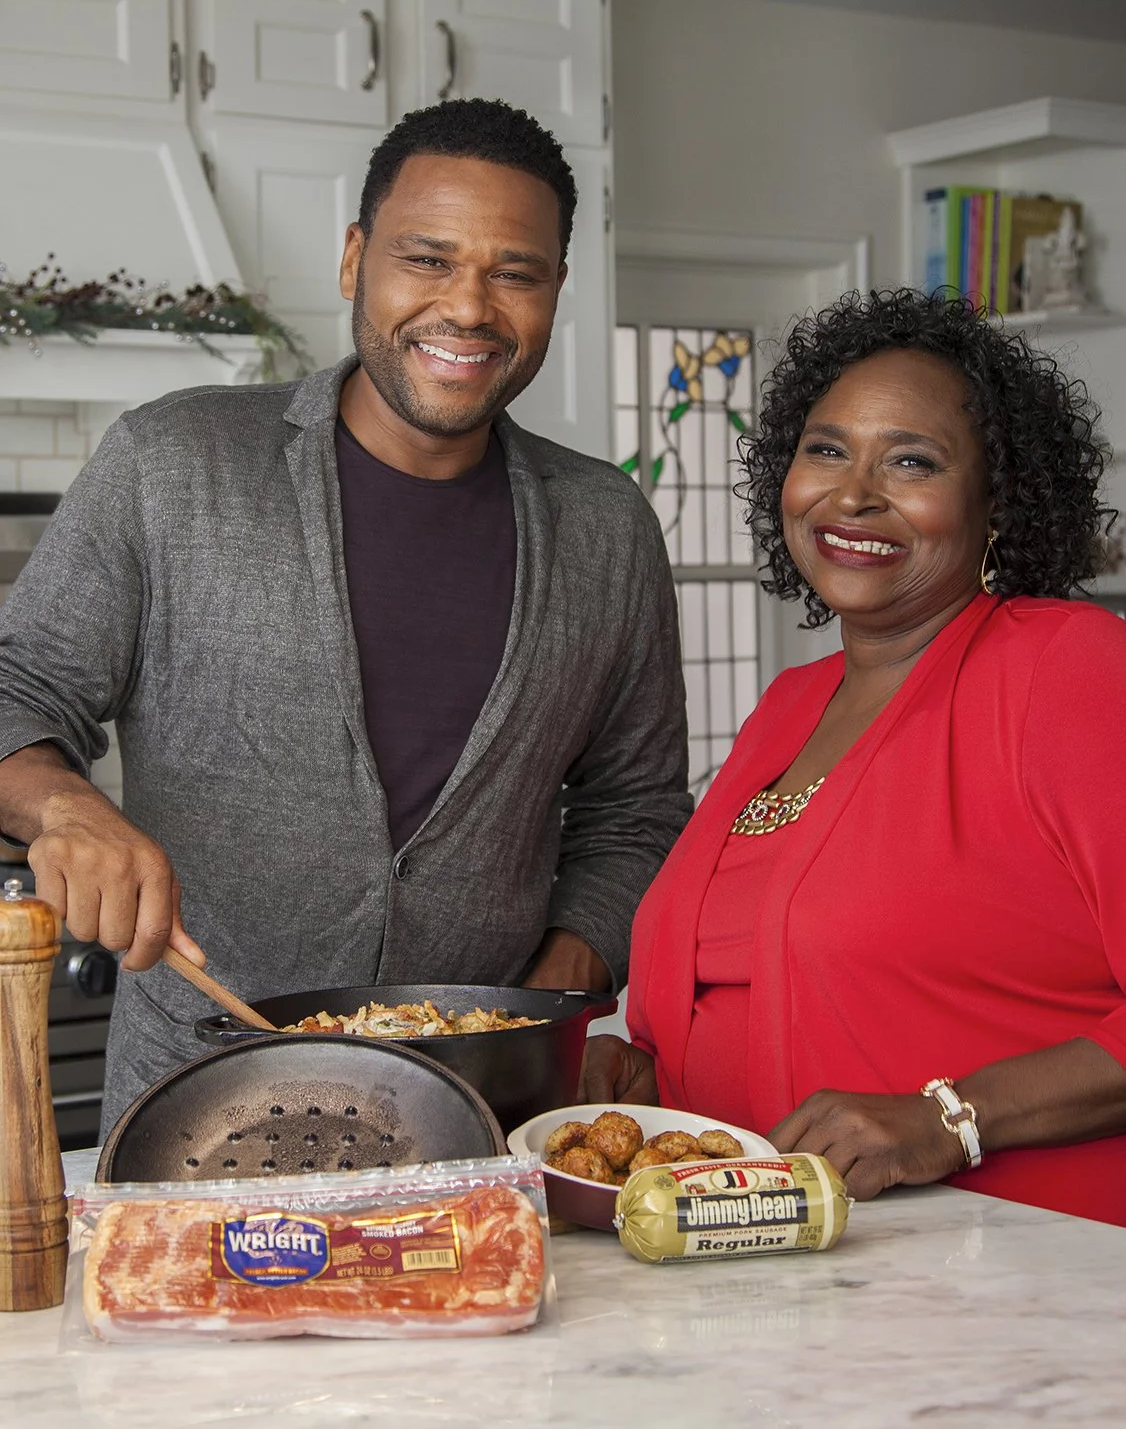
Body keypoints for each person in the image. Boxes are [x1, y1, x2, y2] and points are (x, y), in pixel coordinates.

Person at [0, 98, 691, 1134]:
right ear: (354, 259)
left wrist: (544, 1002)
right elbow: (20, 689)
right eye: (427, 257)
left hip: (481, 1115)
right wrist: (65, 807)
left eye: (516, 271)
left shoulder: (607, 529)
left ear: (556, 290)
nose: (469, 306)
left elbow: (634, 813)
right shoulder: (173, 462)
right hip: (199, 1103)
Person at [582, 288, 1126, 1232]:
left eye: (911, 461)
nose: (852, 494)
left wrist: (952, 1119)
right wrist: (650, 1072)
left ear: (997, 500)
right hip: (775, 1267)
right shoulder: (788, 708)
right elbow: (767, 983)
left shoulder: (1068, 671)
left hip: (1023, 1269)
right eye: (825, 449)